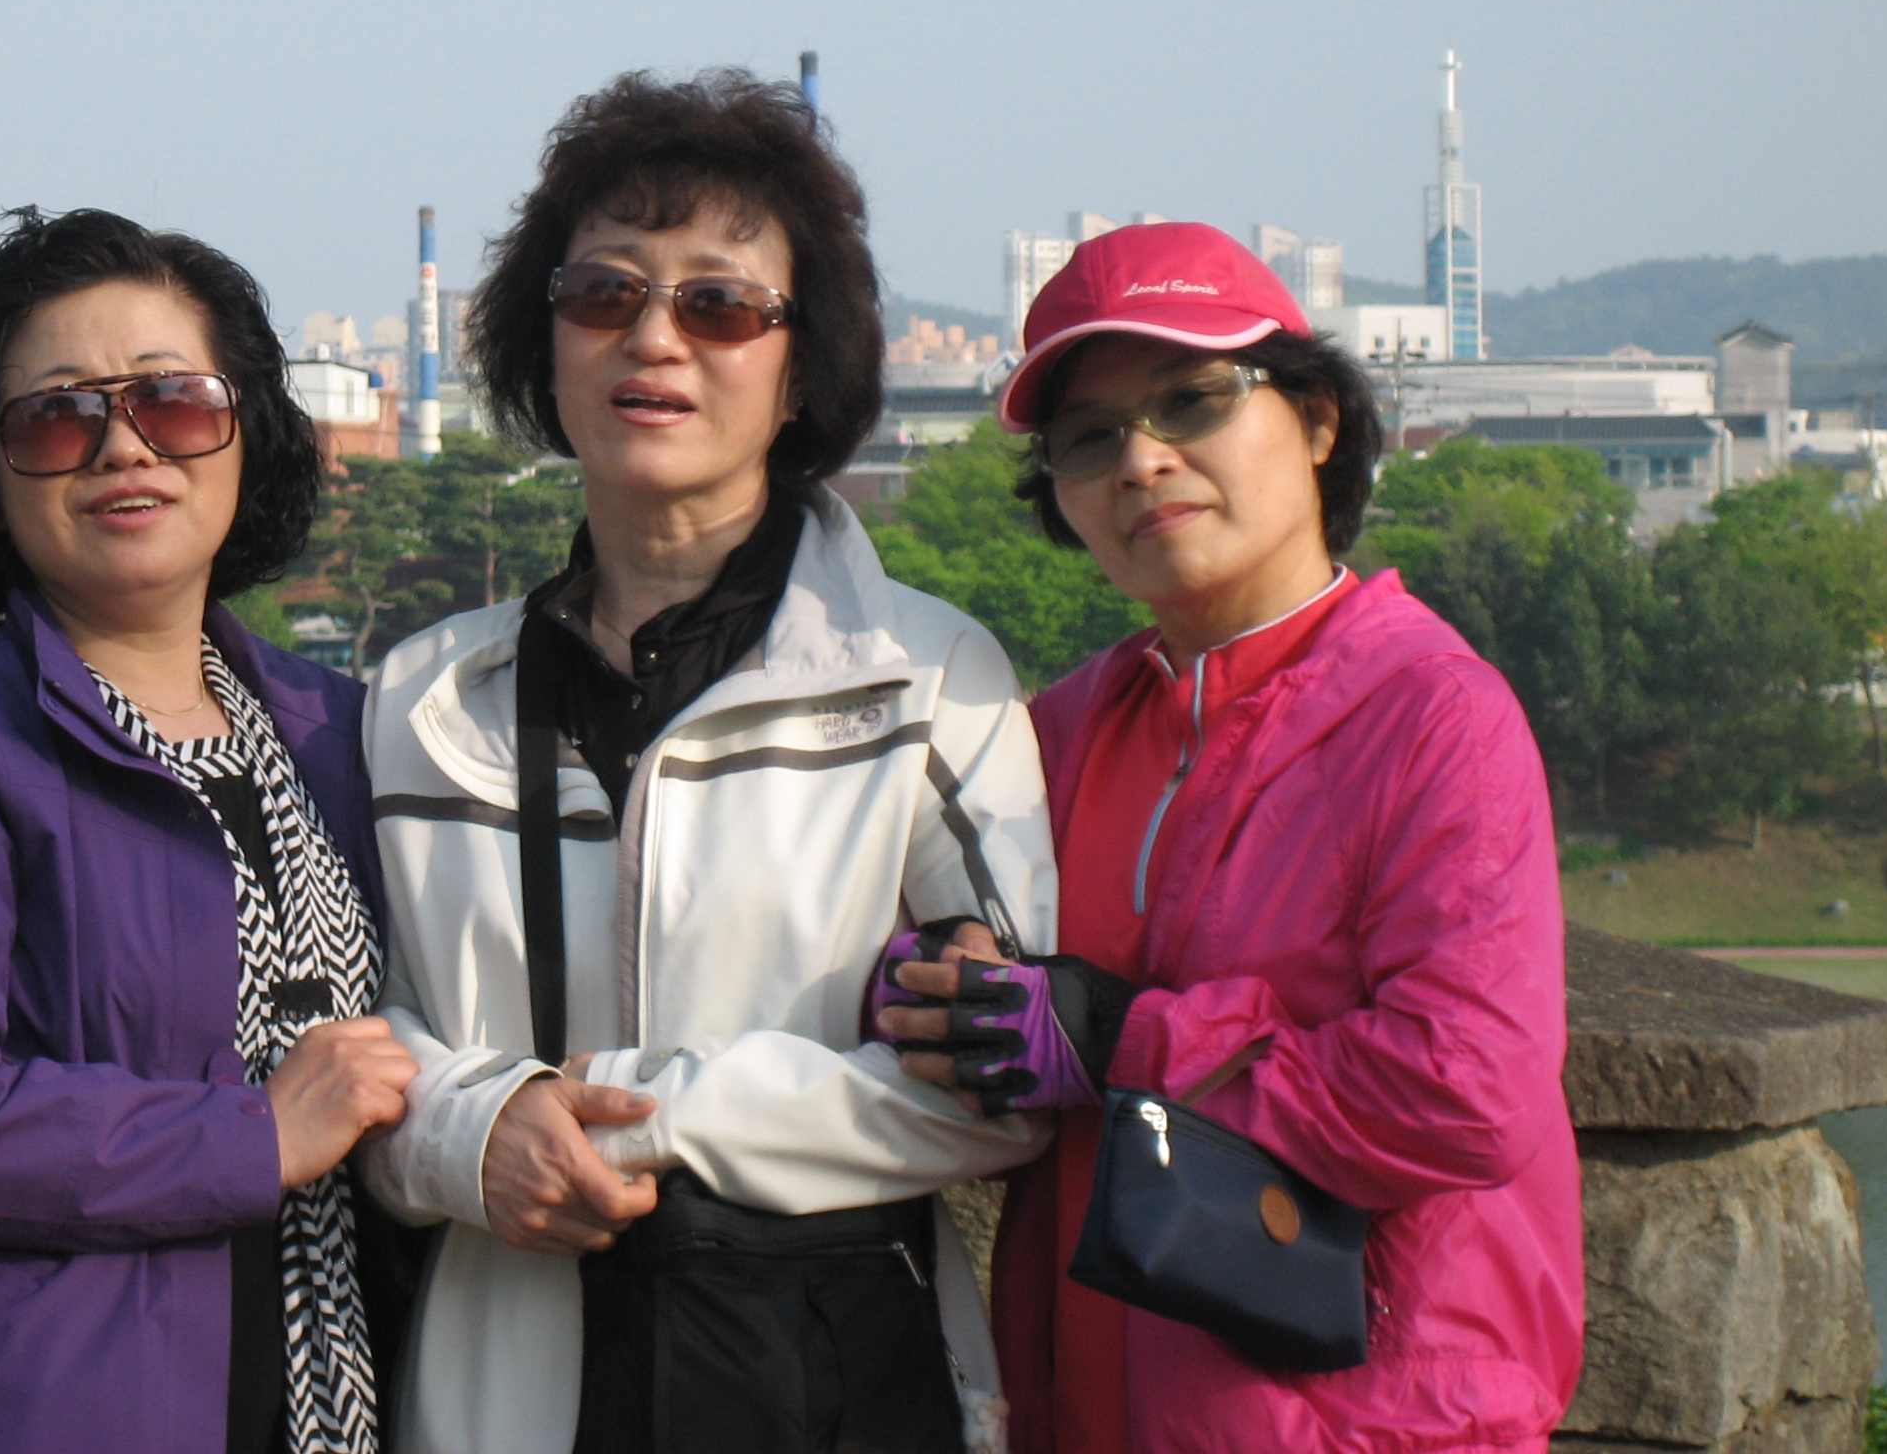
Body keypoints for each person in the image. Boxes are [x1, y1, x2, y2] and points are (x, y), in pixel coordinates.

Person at [359, 71, 1055, 1454]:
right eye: (603, 293)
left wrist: (653, 1115)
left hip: (829, 1387)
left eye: (720, 305)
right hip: (503, 1392)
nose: (653, 338)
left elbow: (1010, 1082)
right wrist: (469, 1133)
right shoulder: (424, 698)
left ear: (801, 368)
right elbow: (347, 1037)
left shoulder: (928, 682)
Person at [876, 222, 1584, 1452]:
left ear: (1317, 421)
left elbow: (1466, 1091)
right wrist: (926, 991)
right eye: (1090, 437)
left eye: (1193, 401)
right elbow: (931, 959)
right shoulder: (1060, 732)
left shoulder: (1433, 720)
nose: (1142, 461)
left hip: (1361, 1423)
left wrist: (1120, 1037)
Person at [0, 209, 417, 1454]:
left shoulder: (341, 736)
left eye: (174, 402)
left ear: (245, 431)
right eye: (57, 417)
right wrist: (257, 1136)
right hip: (41, 1409)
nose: (124, 445)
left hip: (331, 1393)